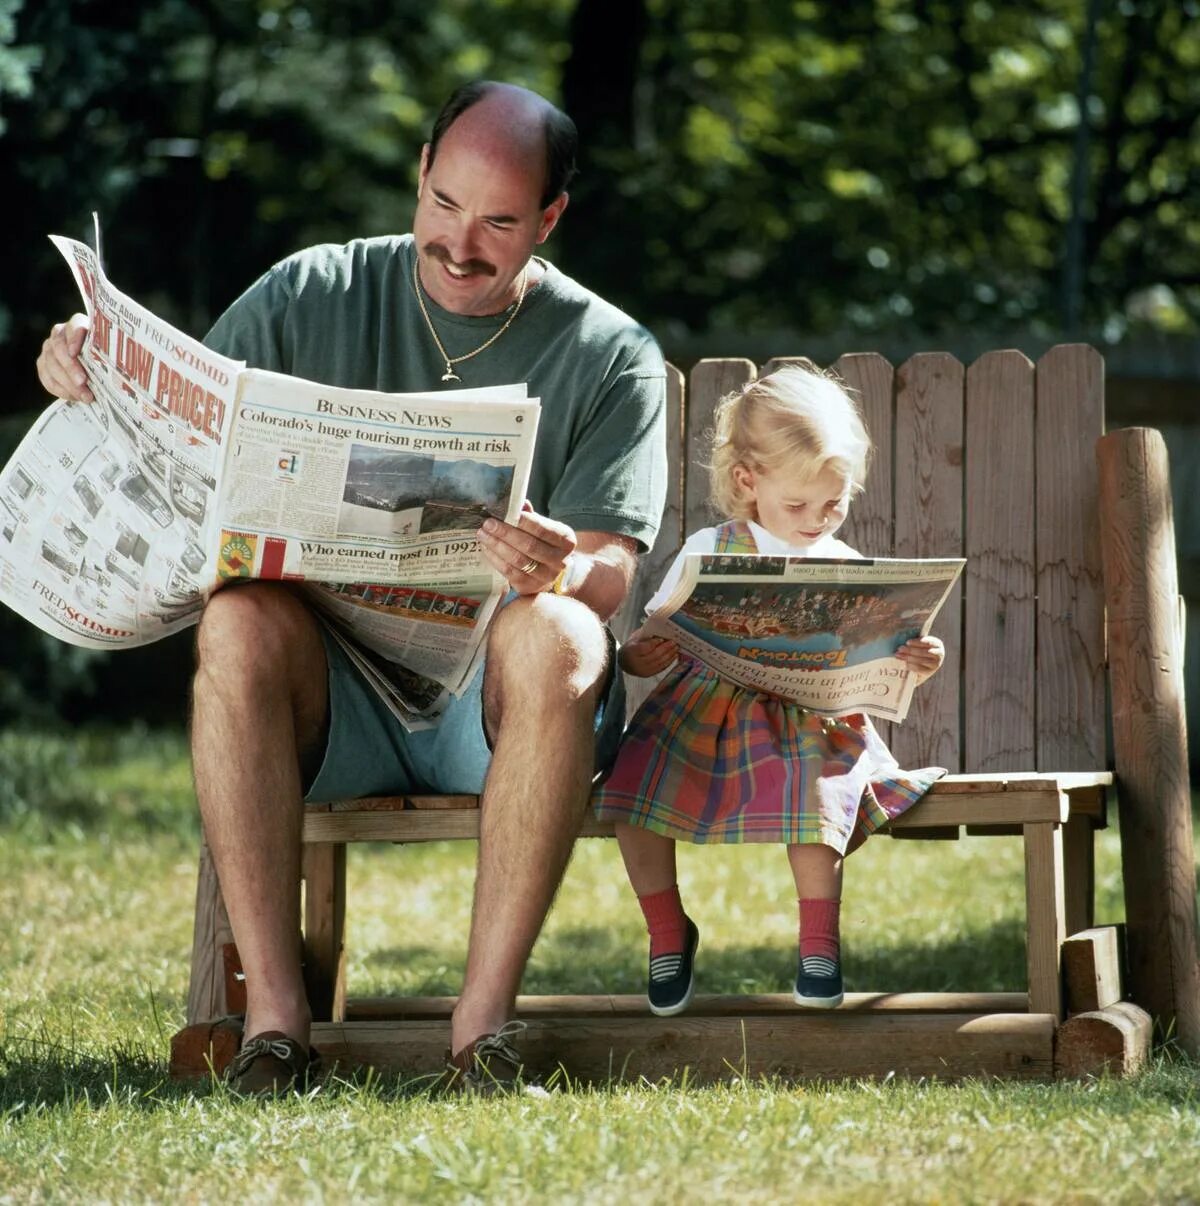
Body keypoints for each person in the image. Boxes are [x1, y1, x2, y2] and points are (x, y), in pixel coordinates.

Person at [36, 81, 667, 1093]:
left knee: (561, 633)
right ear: (419, 175)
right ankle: (274, 1031)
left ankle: (482, 1029)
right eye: (445, 206)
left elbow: (611, 574)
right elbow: (181, 429)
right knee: (238, 617)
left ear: (550, 220)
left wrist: (563, 565)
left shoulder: (611, 353)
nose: (462, 245)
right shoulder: (308, 292)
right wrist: (84, 368)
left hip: (500, 713)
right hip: (332, 704)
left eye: (500, 222)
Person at [593, 363, 944, 1016]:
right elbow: (652, 647)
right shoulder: (710, 548)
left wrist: (917, 660)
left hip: (808, 722)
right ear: (748, 482)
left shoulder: (841, 564)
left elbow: (877, 666)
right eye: (798, 505)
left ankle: (819, 945)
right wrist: (640, 654)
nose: (817, 520)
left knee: (819, 802)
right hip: (703, 716)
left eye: (833, 504)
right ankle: (668, 932)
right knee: (632, 793)